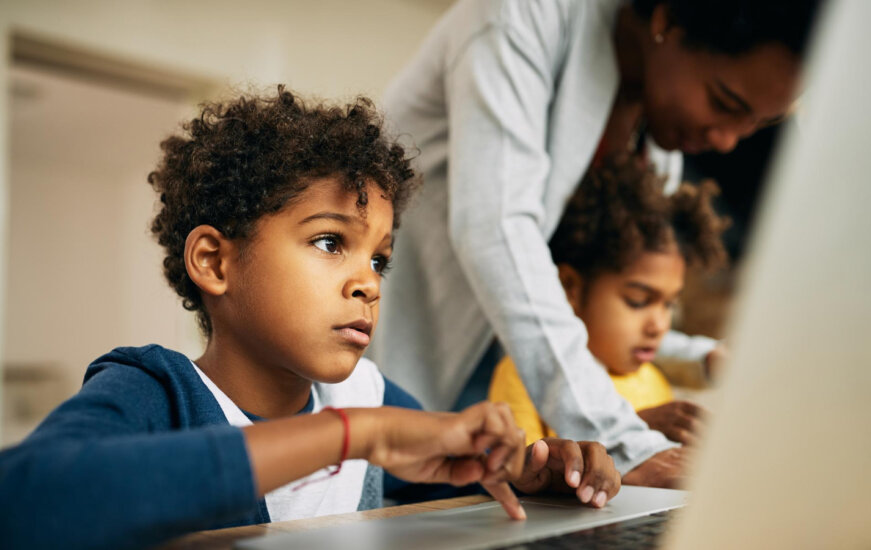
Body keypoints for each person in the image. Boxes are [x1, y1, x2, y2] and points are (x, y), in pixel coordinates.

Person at [0, 87, 622, 549]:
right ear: (215, 262)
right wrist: (354, 435)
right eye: (330, 242)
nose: (368, 283)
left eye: (380, 259)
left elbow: (461, 484)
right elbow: (25, 500)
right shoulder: (158, 392)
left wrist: (538, 474)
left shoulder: (365, 394)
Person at [371, 0, 821, 485]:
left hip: (506, 432)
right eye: (725, 103)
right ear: (666, 17)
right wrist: (625, 441)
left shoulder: (656, 124)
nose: (730, 140)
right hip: (413, 384)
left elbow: (595, 313)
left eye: (757, 122)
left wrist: (699, 358)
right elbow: (497, 233)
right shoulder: (519, 17)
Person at [489, 155, 728, 448]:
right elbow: (520, 476)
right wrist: (634, 433)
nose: (659, 325)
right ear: (570, 288)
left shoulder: (652, 380)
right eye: (638, 301)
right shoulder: (522, 376)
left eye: (669, 305)